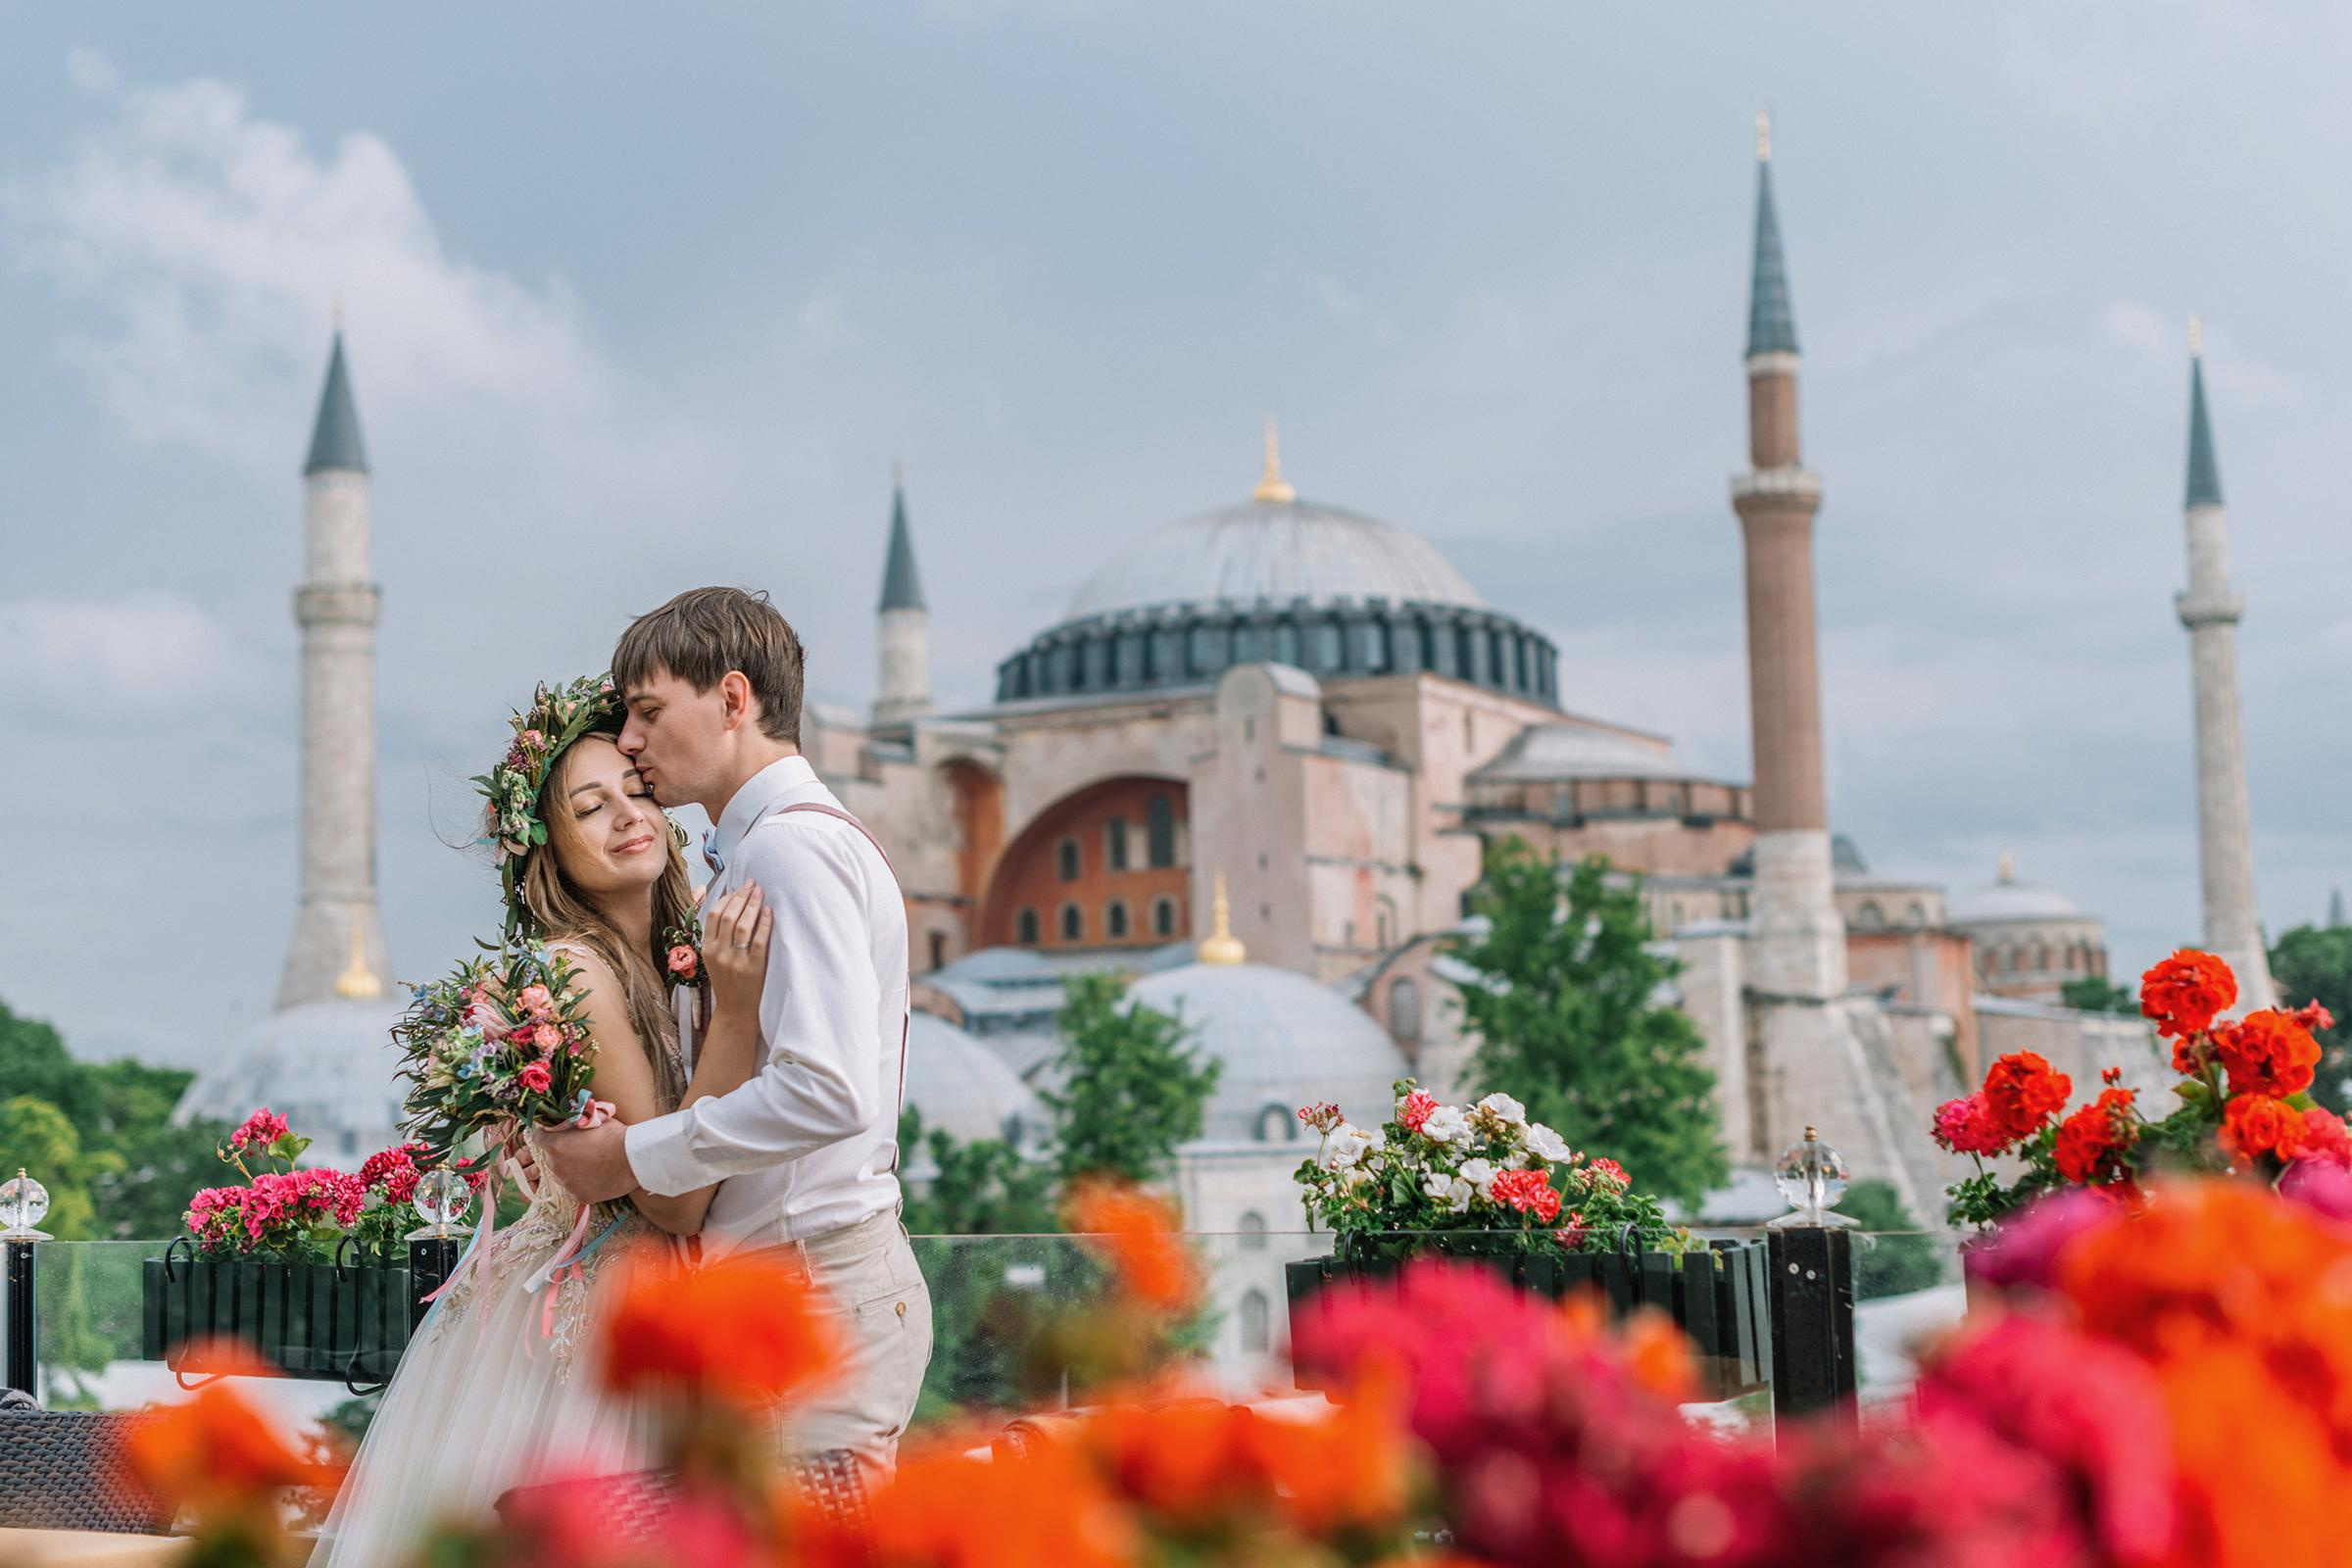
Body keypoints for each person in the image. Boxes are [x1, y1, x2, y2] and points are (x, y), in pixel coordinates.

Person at [316, 678, 774, 1566]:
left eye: (638, 792)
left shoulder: (675, 951)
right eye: (590, 809)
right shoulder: (577, 971)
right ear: (549, 851)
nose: (628, 817)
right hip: (598, 1319)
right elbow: (677, 1202)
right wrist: (741, 1015)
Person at [538, 587, 933, 1476]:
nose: (629, 741)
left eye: (647, 712)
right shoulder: (776, 845)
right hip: (804, 1282)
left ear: (732, 699)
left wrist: (632, 1155)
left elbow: (828, 1091)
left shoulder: (786, 849)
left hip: (814, 1283)